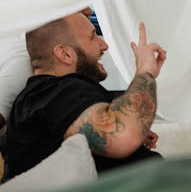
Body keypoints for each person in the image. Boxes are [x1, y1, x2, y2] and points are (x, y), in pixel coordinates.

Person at [6, 10, 166, 178]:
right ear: (65, 54)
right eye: (92, 36)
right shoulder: (54, 91)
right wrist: (145, 72)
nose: (104, 45)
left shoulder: (50, 96)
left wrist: (131, 123)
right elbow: (122, 136)